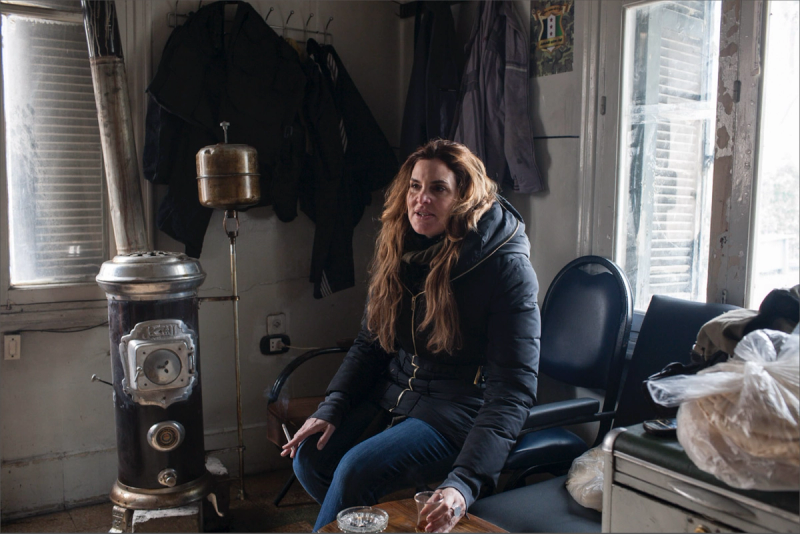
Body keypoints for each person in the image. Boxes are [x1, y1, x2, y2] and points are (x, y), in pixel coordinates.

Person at [283, 139, 541, 532]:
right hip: (395, 393)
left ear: (464, 198)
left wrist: (464, 483)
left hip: (458, 410)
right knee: (310, 457)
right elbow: (371, 342)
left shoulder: (504, 266)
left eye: (438, 188)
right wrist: (332, 405)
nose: (422, 199)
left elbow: (513, 391)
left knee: (354, 470)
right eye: (415, 186)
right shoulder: (401, 244)